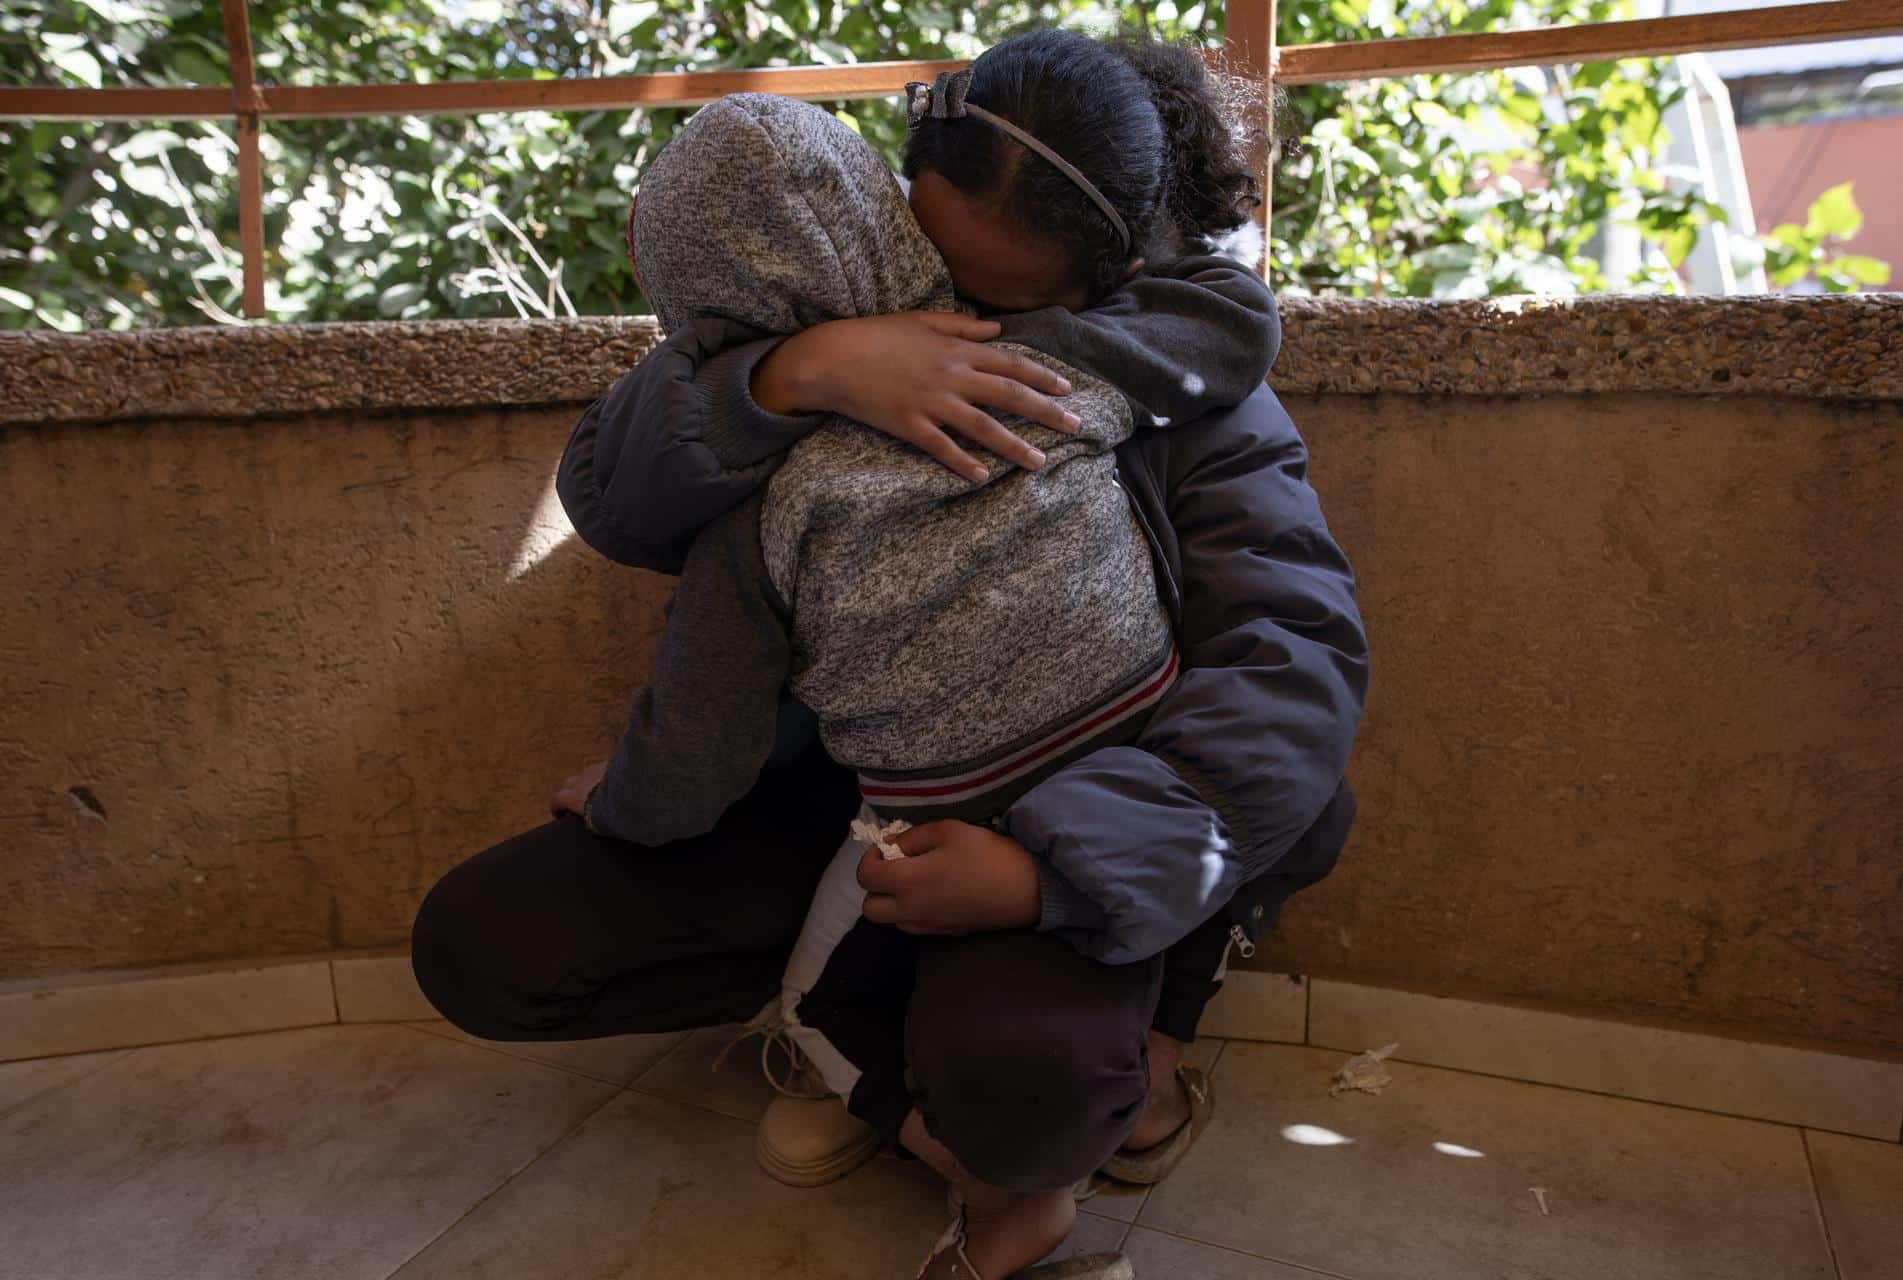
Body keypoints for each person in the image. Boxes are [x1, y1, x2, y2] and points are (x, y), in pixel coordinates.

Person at [413, 29, 1368, 1280]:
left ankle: (1060, 1056)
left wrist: (1049, 880)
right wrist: (800, 372)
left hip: (1070, 807)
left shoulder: (1164, 375)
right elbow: (615, 495)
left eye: (995, 304)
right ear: (894, 192)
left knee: (1025, 1082)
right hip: (839, 793)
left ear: (1107, 277)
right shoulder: (810, 289)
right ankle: (871, 1042)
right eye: (926, 268)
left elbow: (1290, 668)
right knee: (488, 941)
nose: (944, 323)